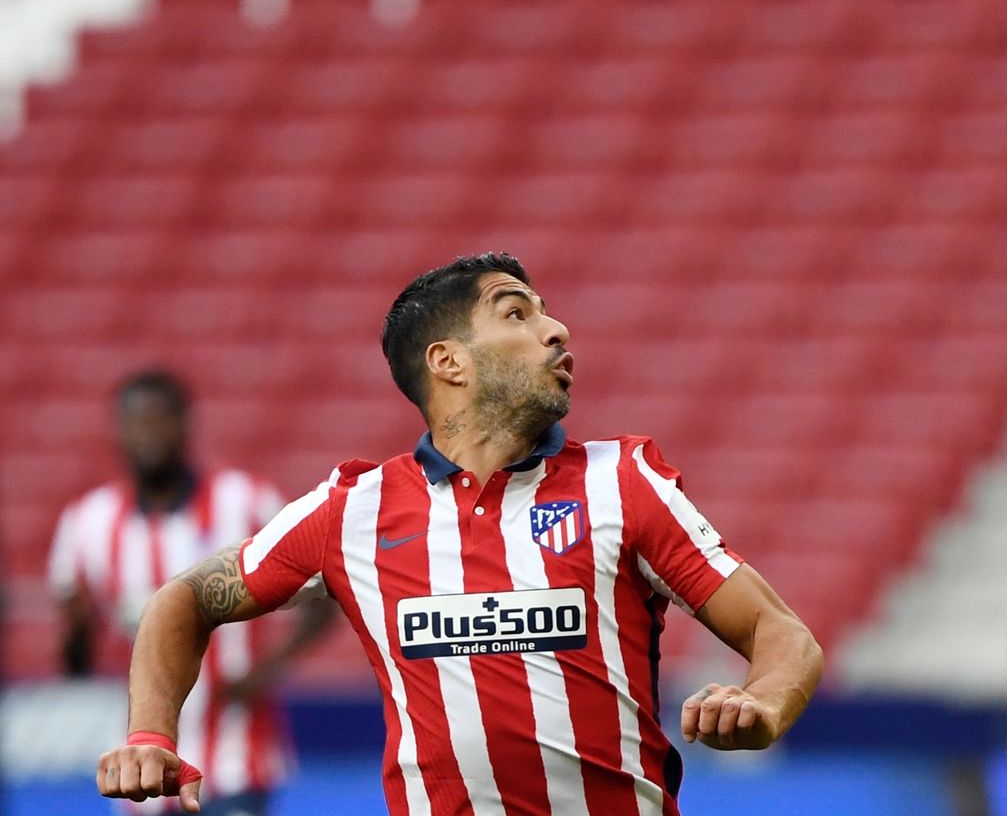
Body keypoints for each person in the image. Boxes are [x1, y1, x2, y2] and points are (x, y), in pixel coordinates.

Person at [96, 253, 823, 815]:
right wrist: (151, 735)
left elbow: (781, 634)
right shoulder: (354, 508)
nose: (556, 329)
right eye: (517, 315)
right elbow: (183, 601)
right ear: (448, 362)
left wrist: (764, 706)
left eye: (547, 314)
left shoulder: (624, 482)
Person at [49, 370, 331, 816]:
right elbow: (75, 659)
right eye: (134, 422)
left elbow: (322, 592)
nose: (147, 434)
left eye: (157, 420)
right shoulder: (87, 522)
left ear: (184, 424)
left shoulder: (246, 500)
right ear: (117, 430)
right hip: (140, 759)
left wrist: (269, 670)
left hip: (236, 755)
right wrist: (76, 634)